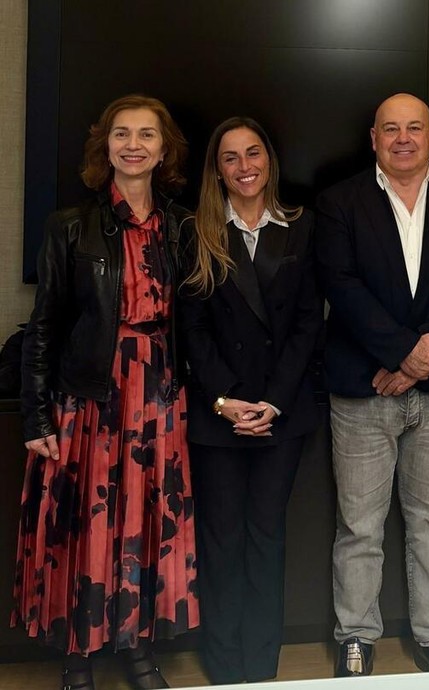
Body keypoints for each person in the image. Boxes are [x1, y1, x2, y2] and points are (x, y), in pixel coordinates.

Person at [14, 94, 197, 690]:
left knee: (144, 524)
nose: (133, 145)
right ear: (106, 146)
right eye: (122, 134)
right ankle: (78, 657)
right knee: (87, 528)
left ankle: (138, 649)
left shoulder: (183, 226)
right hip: (90, 395)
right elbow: (43, 326)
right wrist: (35, 416)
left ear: (163, 150)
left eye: (146, 135)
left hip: (159, 397)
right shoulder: (70, 225)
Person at [315, 93, 429, 677]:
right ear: (373, 138)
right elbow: (342, 287)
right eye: (390, 129)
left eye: (414, 127)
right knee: (359, 526)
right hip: (362, 388)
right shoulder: (340, 202)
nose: (403, 139)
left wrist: (420, 361)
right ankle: (355, 636)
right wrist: (401, 353)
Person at [178, 117, 321, 684]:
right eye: (231, 157)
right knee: (221, 541)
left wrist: (273, 403)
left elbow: (308, 322)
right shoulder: (196, 231)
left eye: (253, 153)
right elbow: (191, 329)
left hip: (280, 413)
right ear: (217, 170)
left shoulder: (302, 225)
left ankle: (260, 667)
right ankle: (223, 668)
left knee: (266, 538)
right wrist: (225, 400)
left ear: (270, 160)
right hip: (218, 415)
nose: (244, 167)